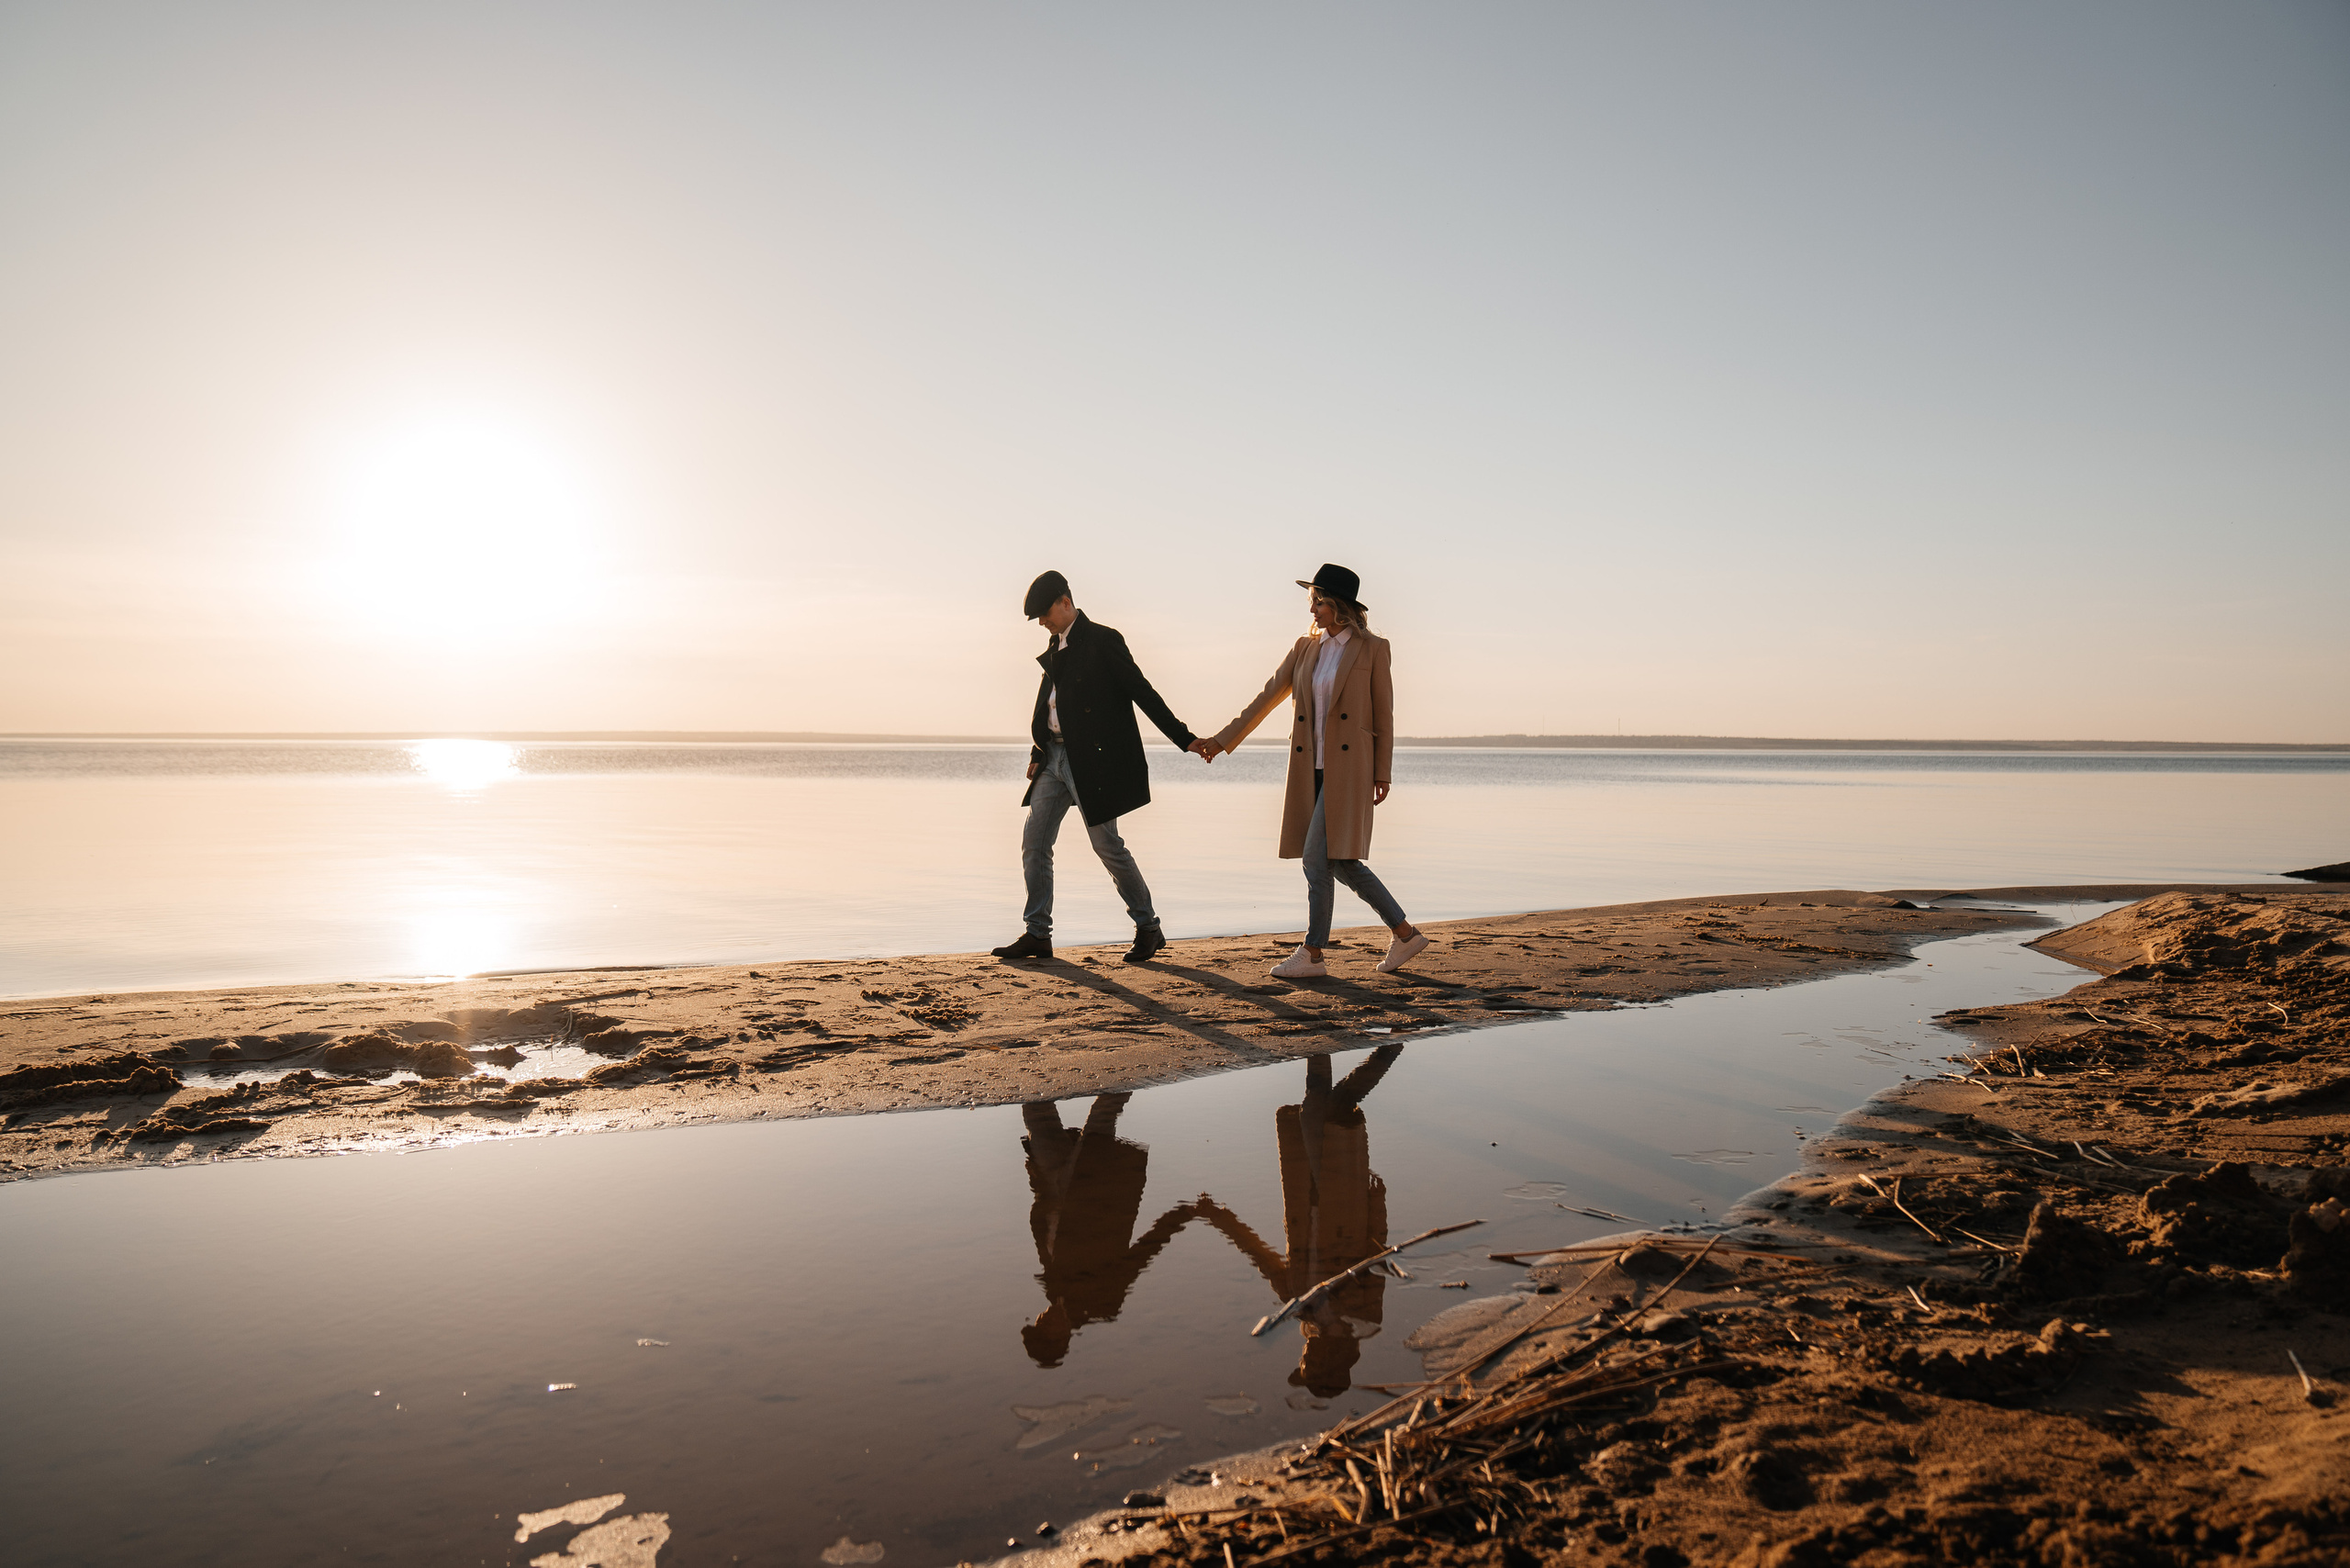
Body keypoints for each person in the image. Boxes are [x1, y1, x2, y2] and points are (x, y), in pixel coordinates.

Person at [1192, 564, 1430, 979]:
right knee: (1340, 862)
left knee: (1314, 860)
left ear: (1339, 605)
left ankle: (1314, 953)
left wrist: (1382, 771)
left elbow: (1384, 715)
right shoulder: (1305, 648)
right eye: (1312, 602)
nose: (1313, 610)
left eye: (1319, 602)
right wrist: (1221, 740)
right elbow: (1266, 696)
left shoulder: (1373, 648)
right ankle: (1405, 934)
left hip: (1351, 769)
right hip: (1310, 768)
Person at [992, 570, 1202, 964]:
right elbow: (1050, 706)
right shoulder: (1055, 646)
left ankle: (1148, 927)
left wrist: (1184, 738)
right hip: (1053, 759)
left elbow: (1142, 692)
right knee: (1034, 844)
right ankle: (1038, 933)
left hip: (1092, 762)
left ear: (1065, 602)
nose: (1041, 622)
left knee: (1107, 846)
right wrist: (1039, 753)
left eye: (1044, 613)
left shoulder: (1105, 641)